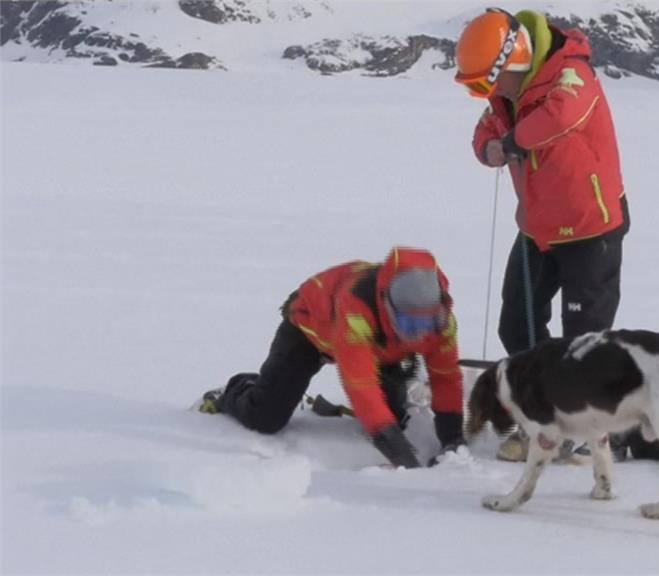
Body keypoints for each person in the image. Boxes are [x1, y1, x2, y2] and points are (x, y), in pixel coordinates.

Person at [454, 8, 630, 461]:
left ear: (511, 62)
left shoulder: (571, 74)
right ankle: (541, 408)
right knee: (517, 325)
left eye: (485, 83)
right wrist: (488, 149)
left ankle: (575, 427)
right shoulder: (504, 99)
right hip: (536, 230)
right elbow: (482, 136)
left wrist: (509, 143)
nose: (485, 95)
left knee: (583, 341)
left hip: (590, 230)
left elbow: (560, 117)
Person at [199, 247, 465, 469]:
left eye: (425, 324)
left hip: (382, 351)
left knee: (393, 418)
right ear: (388, 306)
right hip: (310, 333)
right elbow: (360, 385)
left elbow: (446, 378)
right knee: (265, 418)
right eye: (409, 325)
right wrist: (403, 459)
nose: (418, 335)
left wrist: (452, 438)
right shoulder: (356, 309)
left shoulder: (441, 323)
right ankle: (237, 390)